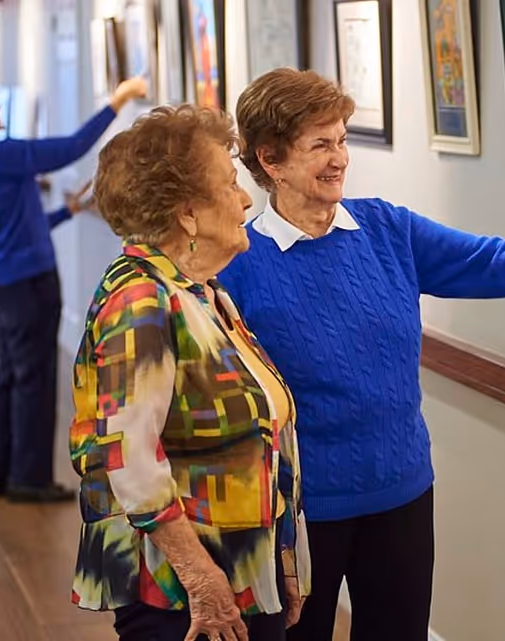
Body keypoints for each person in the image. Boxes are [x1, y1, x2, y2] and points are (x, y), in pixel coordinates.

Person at [219, 67, 505, 641]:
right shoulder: (237, 265)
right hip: (301, 509)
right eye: (320, 145)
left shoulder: (386, 228)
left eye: (342, 140)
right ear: (271, 160)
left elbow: (497, 261)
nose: (339, 158)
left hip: (402, 491)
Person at [68, 104, 310, 641]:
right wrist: (201, 578)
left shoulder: (200, 291)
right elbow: (128, 456)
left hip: (238, 568)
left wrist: (278, 565)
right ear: (188, 214)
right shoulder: (141, 299)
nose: (246, 197)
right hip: (177, 590)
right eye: (229, 184)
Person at [0, 76, 148, 502]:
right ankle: (29, 480)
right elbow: (70, 147)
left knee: (12, 378)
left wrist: (65, 212)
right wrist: (118, 100)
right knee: (34, 381)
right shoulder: (1, 154)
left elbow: (14, 228)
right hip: (30, 282)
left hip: (5, 281)